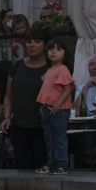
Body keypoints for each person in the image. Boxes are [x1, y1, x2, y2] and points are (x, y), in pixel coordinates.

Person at [1, 26, 50, 171]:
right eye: (28, 41)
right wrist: (7, 117)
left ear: (45, 45)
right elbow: (9, 96)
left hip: (43, 127)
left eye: (37, 41)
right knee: (22, 168)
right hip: (19, 127)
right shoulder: (17, 66)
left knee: (42, 166)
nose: (32, 45)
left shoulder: (52, 69)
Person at [36, 39, 75, 174]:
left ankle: (62, 163)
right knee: (49, 137)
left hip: (59, 109)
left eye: (58, 49)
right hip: (46, 108)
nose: (54, 51)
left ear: (65, 54)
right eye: (51, 49)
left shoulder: (63, 69)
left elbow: (68, 88)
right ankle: (51, 161)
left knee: (59, 137)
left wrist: (58, 103)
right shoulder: (50, 70)